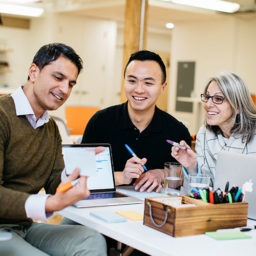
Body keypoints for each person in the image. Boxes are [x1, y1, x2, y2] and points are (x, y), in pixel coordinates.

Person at [0, 43, 106, 256]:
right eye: (58, 78)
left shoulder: (50, 128)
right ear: (33, 72)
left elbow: (54, 183)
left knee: (91, 239)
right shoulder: (3, 115)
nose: (65, 90)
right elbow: (50, 198)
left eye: (71, 84)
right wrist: (49, 202)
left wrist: (74, 173)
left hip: (23, 227)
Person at [82, 50, 191, 193]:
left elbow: (188, 176)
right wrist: (121, 177)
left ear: (162, 87)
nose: (139, 90)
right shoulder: (100, 122)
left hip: (155, 210)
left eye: (148, 83)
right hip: (101, 206)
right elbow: (80, 177)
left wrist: (162, 174)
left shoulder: (176, 130)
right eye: (132, 81)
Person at [171, 72, 256, 185]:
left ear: (238, 106)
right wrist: (192, 166)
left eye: (218, 98)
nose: (208, 104)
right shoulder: (204, 134)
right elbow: (206, 188)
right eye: (207, 97)